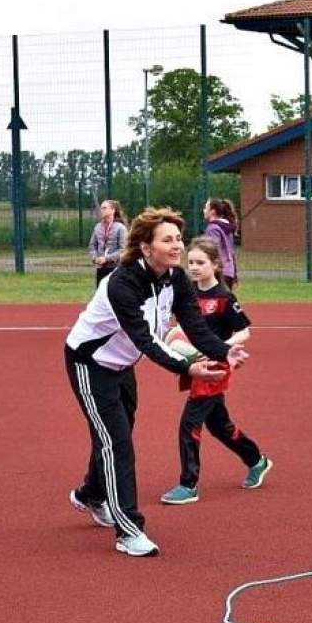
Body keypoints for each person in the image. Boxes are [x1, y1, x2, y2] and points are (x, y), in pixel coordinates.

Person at [65, 207, 249, 557]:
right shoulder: (123, 283)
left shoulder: (177, 279)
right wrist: (187, 367)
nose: (177, 245)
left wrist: (225, 352)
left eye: (178, 238)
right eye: (168, 239)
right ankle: (129, 530)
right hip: (90, 363)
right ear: (146, 248)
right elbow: (145, 341)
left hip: (122, 365)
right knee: (116, 442)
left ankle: (91, 493)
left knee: (115, 432)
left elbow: (195, 327)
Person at [160, 236, 272, 505]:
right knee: (219, 425)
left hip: (216, 367)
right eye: (191, 263)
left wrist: (222, 346)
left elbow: (244, 331)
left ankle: (189, 484)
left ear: (215, 265)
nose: (195, 268)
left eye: (201, 262)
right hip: (197, 364)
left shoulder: (223, 297)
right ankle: (256, 459)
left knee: (190, 424)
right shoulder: (187, 293)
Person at [88, 199, 127, 285]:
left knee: (114, 295)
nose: (101, 210)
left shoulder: (120, 228)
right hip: (101, 269)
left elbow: (123, 250)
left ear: (112, 210)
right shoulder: (97, 227)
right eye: (101, 208)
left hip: (116, 269)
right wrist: (95, 258)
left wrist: (107, 259)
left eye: (104, 208)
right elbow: (92, 246)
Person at [203, 198, 239, 289]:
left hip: (219, 272)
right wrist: (234, 274)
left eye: (205, 208)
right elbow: (231, 253)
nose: (203, 210)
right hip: (229, 271)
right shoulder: (227, 228)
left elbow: (213, 250)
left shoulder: (213, 228)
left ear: (212, 212)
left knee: (215, 301)